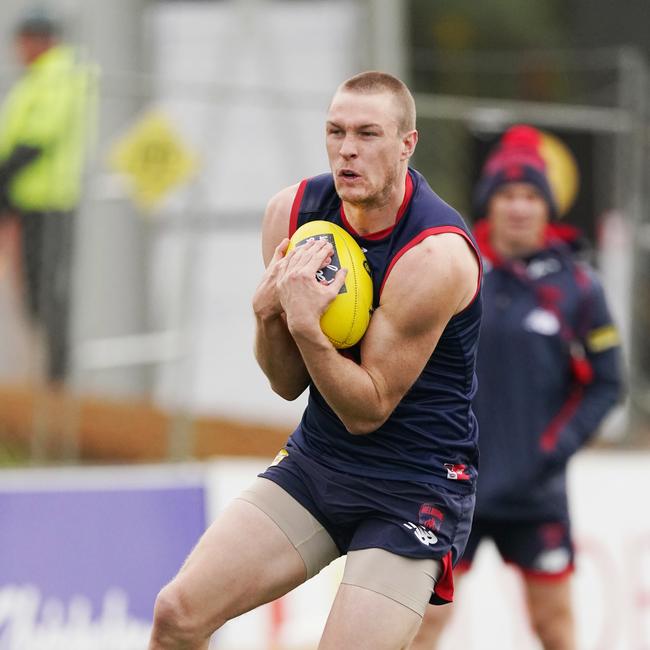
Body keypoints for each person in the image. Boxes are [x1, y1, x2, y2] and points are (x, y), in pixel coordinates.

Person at [148, 71, 482, 650]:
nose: (348, 149)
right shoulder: (291, 214)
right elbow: (286, 383)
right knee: (177, 615)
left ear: (407, 144)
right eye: (336, 131)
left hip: (413, 485)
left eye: (368, 134)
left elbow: (368, 408)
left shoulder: (435, 256)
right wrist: (266, 318)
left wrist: (302, 322)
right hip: (320, 462)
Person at [410, 126, 624, 650]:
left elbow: (608, 383)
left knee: (555, 629)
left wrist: (552, 448)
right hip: (454, 485)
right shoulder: (455, 267)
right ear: (490, 203)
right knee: (421, 626)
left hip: (535, 495)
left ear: (547, 206)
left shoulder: (578, 288)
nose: (519, 207)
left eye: (531, 195)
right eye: (508, 195)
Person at [0, 7, 94, 383]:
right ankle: (46, 374)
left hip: (48, 201)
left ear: (40, 41)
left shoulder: (58, 73)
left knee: (46, 291)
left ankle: (56, 376)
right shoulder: (41, 76)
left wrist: (4, 177)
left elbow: (38, 136)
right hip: (30, 200)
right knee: (36, 291)